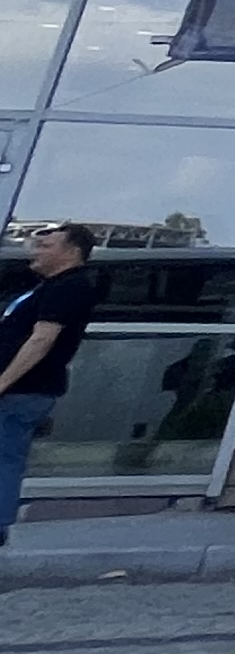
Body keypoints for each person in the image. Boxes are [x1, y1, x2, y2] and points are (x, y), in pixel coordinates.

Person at [0, 222, 102, 547]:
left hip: (22, 391)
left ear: (71, 252)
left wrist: (2, 383)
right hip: (18, 389)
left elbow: (41, 340)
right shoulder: (49, 286)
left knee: (5, 456)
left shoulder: (68, 287)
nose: (36, 251)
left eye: (46, 246)